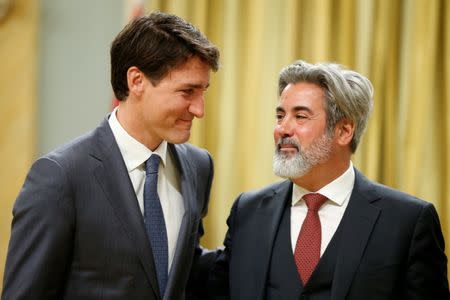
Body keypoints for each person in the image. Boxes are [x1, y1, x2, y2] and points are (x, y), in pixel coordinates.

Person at [2, 11, 219, 300]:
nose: (199, 109)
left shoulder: (198, 166)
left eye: (202, 91)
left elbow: (184, 270)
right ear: (137, 80)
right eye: (187, 91)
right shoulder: (60, 177)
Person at [210, 60, 449, 299]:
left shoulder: (408, 221)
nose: (283, 128)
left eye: (300, 116)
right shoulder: (248, 211)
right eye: (280, 116)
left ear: (344, 131)